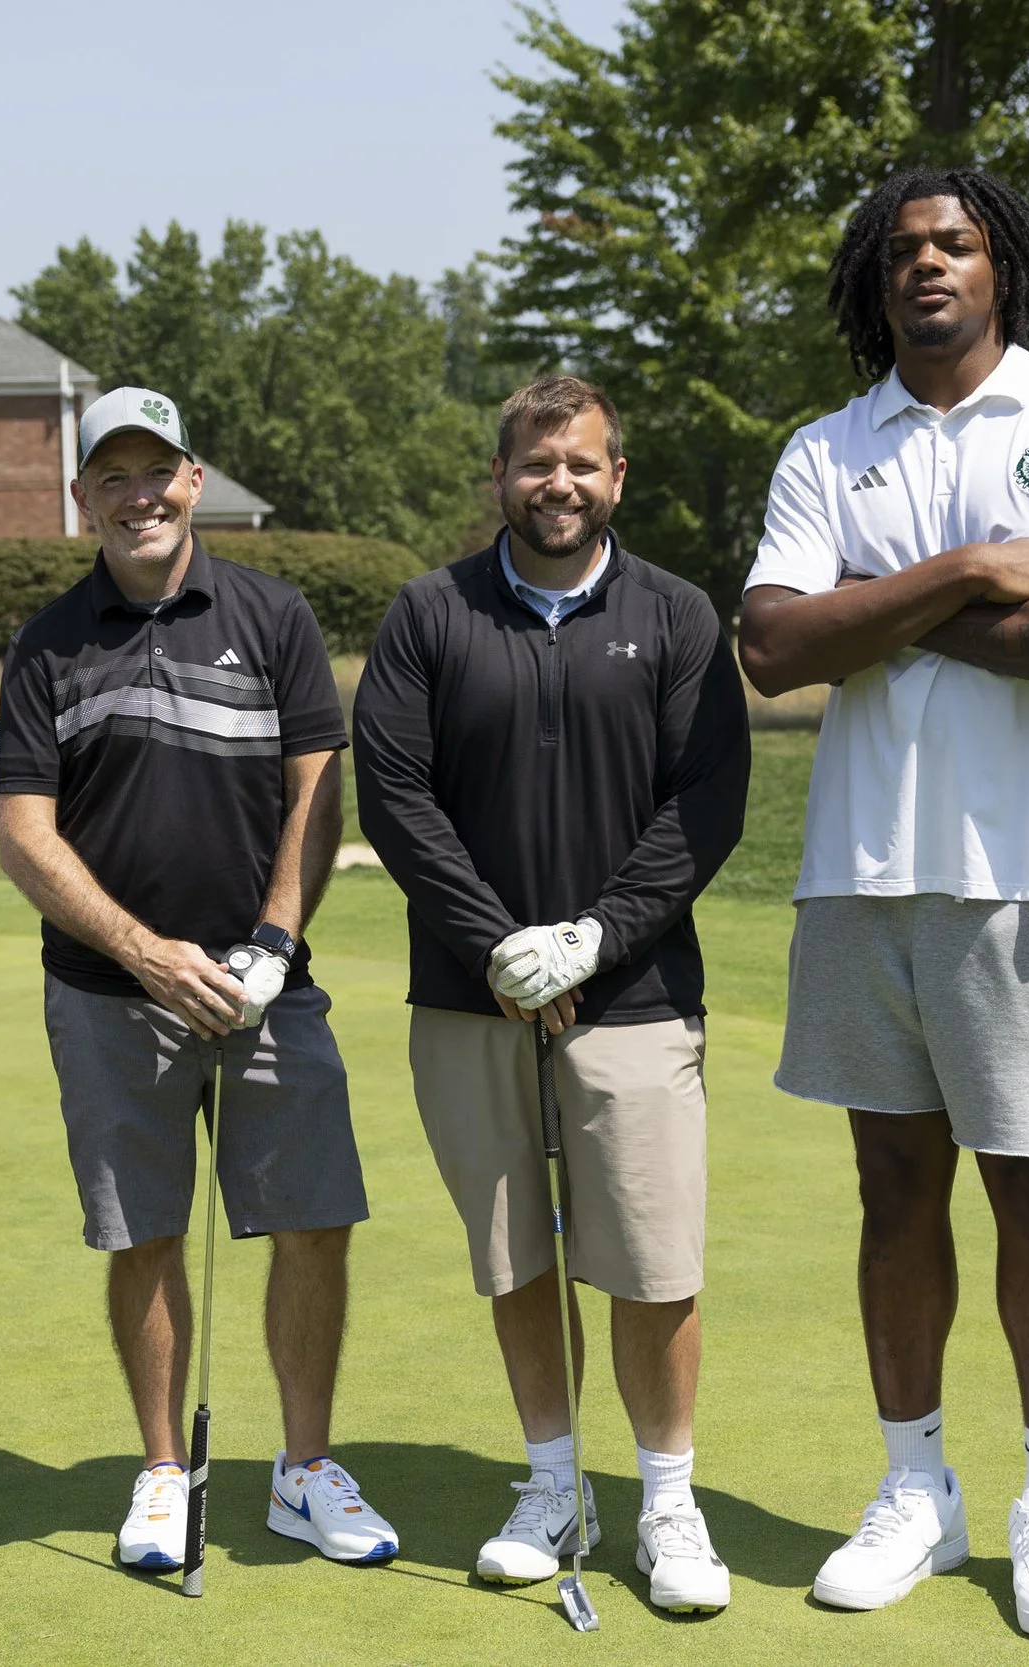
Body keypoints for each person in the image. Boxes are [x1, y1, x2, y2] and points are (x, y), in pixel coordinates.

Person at [736, 168, 1029, 1640]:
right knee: (892, 1187)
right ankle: (916, 1484)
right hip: (863, 871)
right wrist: (977, 571)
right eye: (905, 247)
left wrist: (892, 606)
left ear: (1003, 266)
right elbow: (778, 646)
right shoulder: (827, 446)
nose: (929, 263)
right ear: (875, 276)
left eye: (957, 242)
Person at [354, 375, 752, 1615]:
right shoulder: (430, 613)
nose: (558, 484)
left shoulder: (678, 616)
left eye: (581, 463)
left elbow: (707, 803)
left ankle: (668, 1497)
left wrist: (590, 935)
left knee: (650, 1261)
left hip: (632, 998)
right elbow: (397, 798)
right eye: (536, 463)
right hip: (471, 1001)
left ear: (615, 477)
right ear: (500, 476)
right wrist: (495, 946)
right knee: (516, 1251)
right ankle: (551, 1481)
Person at [0, 386, 399, 1577]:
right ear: (82, 497)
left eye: (155, 470)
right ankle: (164, 1468)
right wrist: (143, 952)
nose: (138, 495)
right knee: (146, 1233)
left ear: (195, 476)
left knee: (315, 1220)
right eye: (110, 475)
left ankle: (303, 1469)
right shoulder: (49, 642)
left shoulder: (272, 616)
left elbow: (316, 791)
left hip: (268, 982)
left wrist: (273, 939)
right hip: (113, 993)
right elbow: (23, 832)